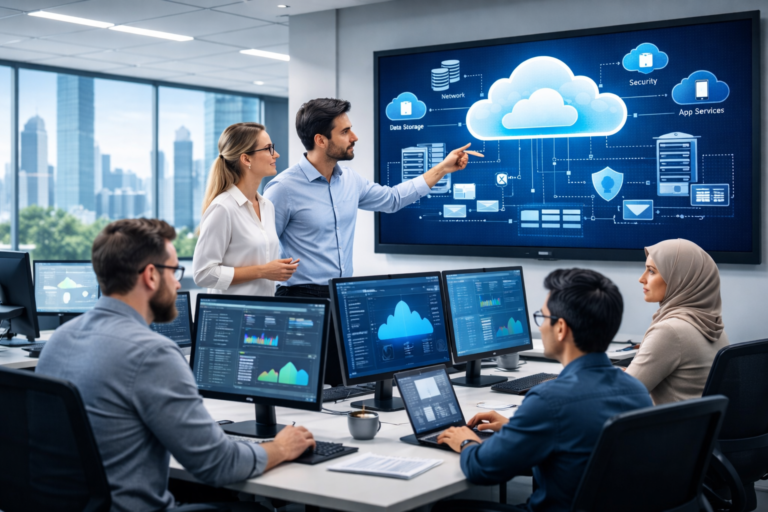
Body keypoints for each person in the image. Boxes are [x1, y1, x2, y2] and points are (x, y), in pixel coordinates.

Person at [36, 219, 315, 512]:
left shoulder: (60, 340)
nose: (179, 283)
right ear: (151, 276)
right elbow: (218, 465)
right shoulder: (152, 353)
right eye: (174, 271)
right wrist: (280, 447)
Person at [264, 98, 470, 384]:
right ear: (321, 140)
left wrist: (443, 169)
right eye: (345, 131)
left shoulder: (350, 180)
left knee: (348, 386)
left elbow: (393, 199)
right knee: (304, 386)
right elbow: (261, 250)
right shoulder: (283, 189)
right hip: (301, 301)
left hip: (341, 297)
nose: (354, 137)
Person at [435, 269, 652, 512]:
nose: (540, 326)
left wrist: (465, 440)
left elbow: (482, 469)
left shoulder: (549, 400)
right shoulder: (637, 390)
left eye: (543, 317)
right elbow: (579, 442)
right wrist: (516, 428)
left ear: (560, 328)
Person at [193, 122, 299, 296]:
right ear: (246, 159)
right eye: (268, 149)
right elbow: (203, 274)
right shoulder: (223, 208)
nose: (276, 154)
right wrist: (262, 271)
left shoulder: (267, 206)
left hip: (264, 309)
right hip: (231, 311)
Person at [626, 238, 730, 405]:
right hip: (700, 421)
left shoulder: (670, 331)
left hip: (670, 422)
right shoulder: (712, 326)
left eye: (651, 271)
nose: (642, 279)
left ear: (679, 278)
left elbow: (622, 393)